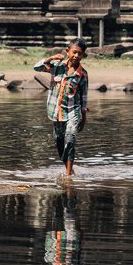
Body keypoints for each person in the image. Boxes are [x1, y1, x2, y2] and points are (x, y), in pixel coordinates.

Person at [34, 38, 89, 176]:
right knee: (59, 141)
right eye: (74, 52)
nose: (76, 56)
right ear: (67, 52)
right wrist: (51, 57)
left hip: (73, 111)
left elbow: (83, 96)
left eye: (80, 54)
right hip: (56, 111)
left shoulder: (83, 74)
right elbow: (37, 67)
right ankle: (68, 169)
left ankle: (69, 174)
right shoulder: (57, 66)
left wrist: (84, 117)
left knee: (70, 138)